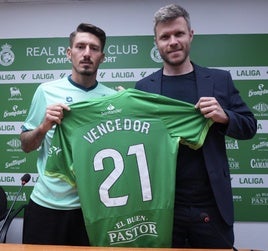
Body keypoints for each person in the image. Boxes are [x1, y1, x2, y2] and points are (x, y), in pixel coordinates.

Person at [135, 4, 257, 249]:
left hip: (210, 205)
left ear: (190, 34)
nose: (173, 42)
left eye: (179, 34)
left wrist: (225, 117)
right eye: (165, 37)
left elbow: (250, 126)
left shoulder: (219, 80)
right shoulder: (143, 89)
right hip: (163, 207)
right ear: (156, 42)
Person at [20, 23, 116, 245]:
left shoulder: (111, 99)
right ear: (69, 53)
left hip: (92, 210)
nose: (86, 53)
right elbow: (25, 145)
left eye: (93, 48)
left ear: (102, 57)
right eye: (80, 47)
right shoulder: (46, 91)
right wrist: (43, 126)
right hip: (46, 208)